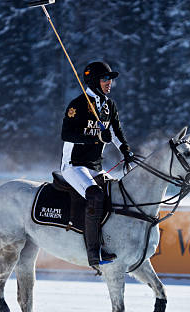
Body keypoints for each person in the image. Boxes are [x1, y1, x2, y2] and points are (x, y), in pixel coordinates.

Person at [60, 61, 134, 267]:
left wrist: (126, 151)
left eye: (110, 79)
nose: (109, 82)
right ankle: (93, 253)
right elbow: (66, 134)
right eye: (105, 79)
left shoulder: (109, 106)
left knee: (118, 194)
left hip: (95, 166)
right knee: (94, 195)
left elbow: (116, 134)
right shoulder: (78, 105)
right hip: (74, 165)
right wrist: (94, 138)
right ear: (94, 81)